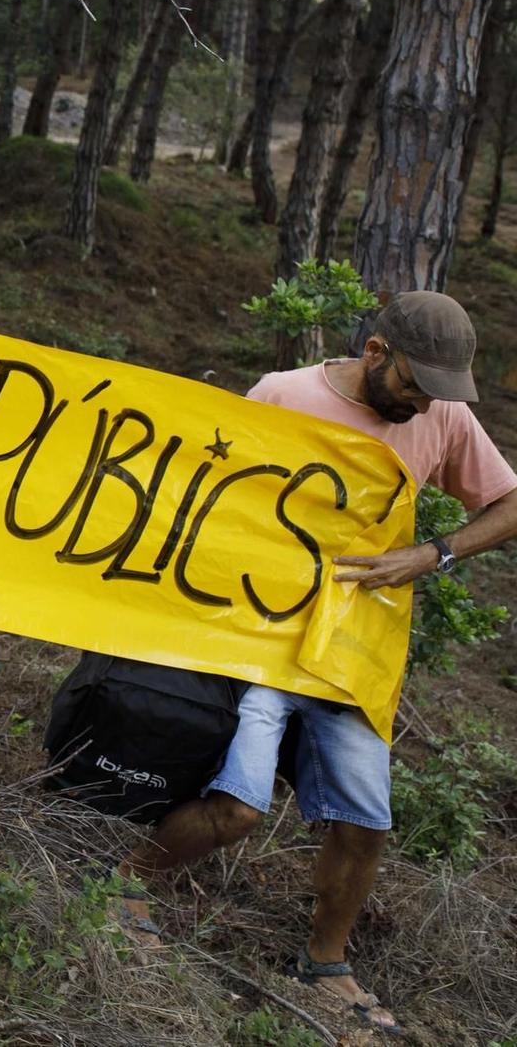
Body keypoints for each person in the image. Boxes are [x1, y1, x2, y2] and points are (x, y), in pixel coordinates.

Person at [113, 292, 517, 1035]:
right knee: (238, 805)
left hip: (354, 651)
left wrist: (433, 553)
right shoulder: (283, 392)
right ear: (374, 353)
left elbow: (509, 501)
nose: (424, 406)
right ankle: (125, 889)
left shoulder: (444, 416)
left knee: (365, 824)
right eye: (413, 388)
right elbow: (213, 495)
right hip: (262, 638)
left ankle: (326, 963)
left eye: (438, 395)